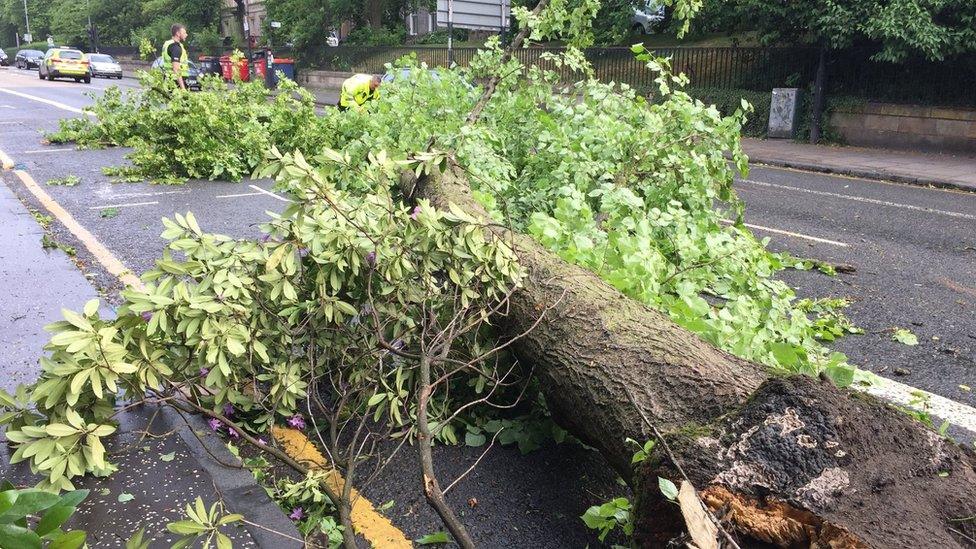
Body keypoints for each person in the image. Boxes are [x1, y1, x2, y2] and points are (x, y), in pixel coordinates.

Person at [161, 23, 189, 90]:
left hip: (169, 80)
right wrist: (183, 89)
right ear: (178, 33)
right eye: (184, 33)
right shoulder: (175, 47)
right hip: (175, 84)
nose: (186, 35)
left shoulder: (168, 44)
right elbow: (176, 69)